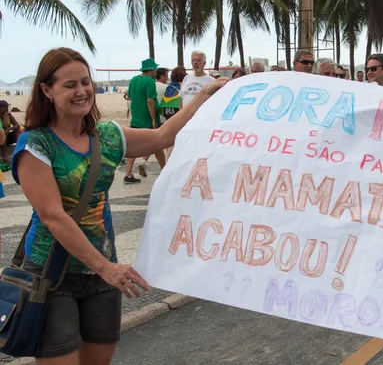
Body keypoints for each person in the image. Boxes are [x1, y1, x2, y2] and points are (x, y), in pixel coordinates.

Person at [12, 47, 228, 364]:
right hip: (52, 274)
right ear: (46, 90)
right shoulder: (36, 144)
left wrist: (205, 95)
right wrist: (107, 268)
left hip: (102, 276)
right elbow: (52, 216)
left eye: (86, 82)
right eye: (69, 85)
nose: (82, 91)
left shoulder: (107, 136)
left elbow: (163, 136)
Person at [123, 58, 165, 183]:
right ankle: (164, 171)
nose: (156, 71)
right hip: (146, 118)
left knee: (133, 146)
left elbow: (129, 97)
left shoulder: (134, 79)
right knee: (158, 144)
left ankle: (128, 173)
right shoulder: (149, 81)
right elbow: (150, 101)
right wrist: (153, 120)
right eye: (155, 68)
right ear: (151, 69)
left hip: (136, 117)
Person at [159, 66, 187, 162]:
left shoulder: (169, 87)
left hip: (167, 113)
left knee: (170, 139)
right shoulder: (184, 86)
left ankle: (168, 160)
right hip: (177, 113)